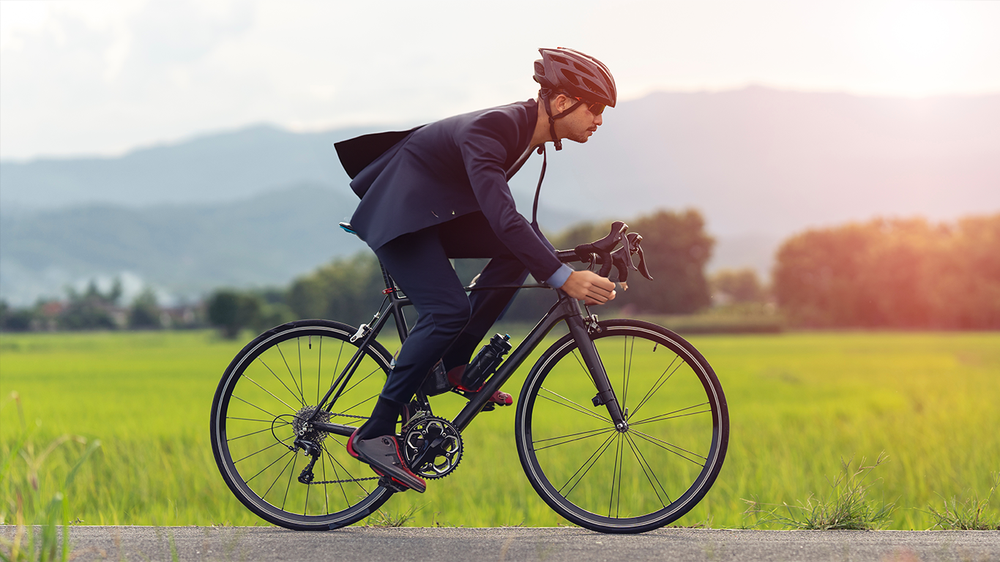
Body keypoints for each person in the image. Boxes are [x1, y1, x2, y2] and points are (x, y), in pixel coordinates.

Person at [335, 47, 618, 492]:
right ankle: (373, 433)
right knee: (447, 310)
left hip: (429, 214)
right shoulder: (497, 129)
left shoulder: (525, 133)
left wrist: (574, 256)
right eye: (595, 110)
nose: (599, 121)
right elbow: (501, 215)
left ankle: (454, 366)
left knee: (517, 253)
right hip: (399, 216)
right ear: (562, 101)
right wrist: (562, 277)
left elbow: (513, 229)